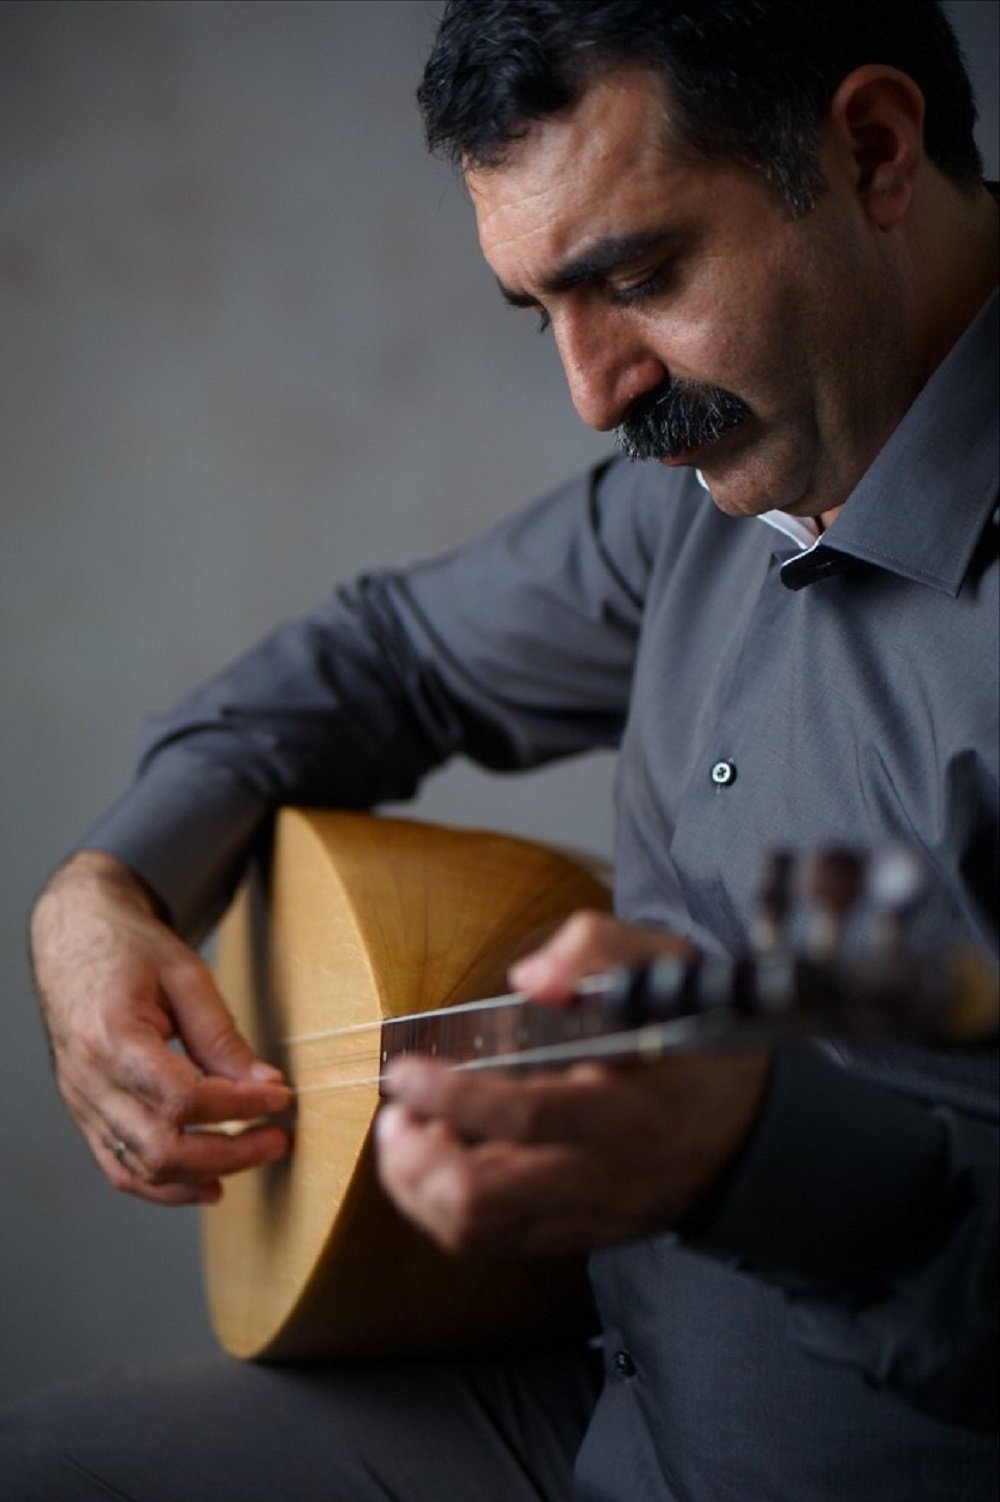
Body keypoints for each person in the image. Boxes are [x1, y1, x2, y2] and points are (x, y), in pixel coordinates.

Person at [6, 0, 998, 1497]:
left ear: (872, 150)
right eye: (544, 311)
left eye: (640, 278)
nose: (594, 394)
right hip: (598, 1406)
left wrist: (755, 1157)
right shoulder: (730, 462)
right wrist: (106, 887)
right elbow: (387, 656)